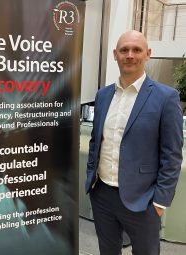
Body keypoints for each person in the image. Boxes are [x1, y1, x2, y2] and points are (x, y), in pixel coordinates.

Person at [85, 30, 183, 255]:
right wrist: (91, 180)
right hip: (102, 194)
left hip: (144, 200)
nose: (130, 55)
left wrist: (160, 202)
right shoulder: (103, 95)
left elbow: (172, 155)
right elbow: (96, 142)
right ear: (115, 55)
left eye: (136, 50)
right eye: (124, 50)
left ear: (147, 54)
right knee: (107, 250)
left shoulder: (166, 97)